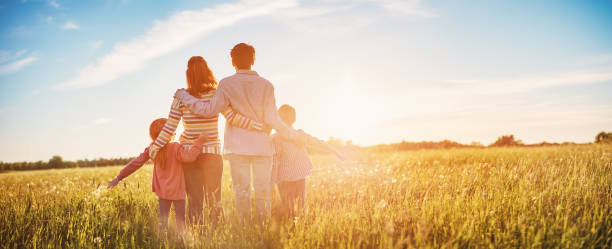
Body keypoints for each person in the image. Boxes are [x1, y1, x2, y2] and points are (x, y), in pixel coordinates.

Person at [173, 43, 302, 223]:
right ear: (253, 60)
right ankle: (262, 228)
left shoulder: (225, 84)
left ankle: (245, 228)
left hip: (237, 147)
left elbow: (209, 110)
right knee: (263, 192)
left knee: (241, 191)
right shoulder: (267, 85)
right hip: (263, 147)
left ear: (232, 61)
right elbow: (273, 120)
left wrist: (183, 96)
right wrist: (293, 134)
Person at [149, 56, 267, 226]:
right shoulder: (216, 95)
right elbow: (232, 117)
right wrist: (256, 125)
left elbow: (170, 128)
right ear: (207, 71)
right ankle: (217, 234)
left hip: (189, 155)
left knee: (195, 200)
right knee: (214, 199)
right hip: (212, 154)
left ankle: (199, 236)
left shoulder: (181, 98)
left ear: (188, 74)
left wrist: (155, 146)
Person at [107, 118, 208, 235]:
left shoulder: (152, 149)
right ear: (167, 132)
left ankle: (162, 243)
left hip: (162, 190)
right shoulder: (175, 147)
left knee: (162, 222)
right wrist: (200, 141)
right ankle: (182, 244)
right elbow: (190, 157)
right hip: (177, 190)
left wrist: (119, 178)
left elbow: (136, 163)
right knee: (181, 224)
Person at [271, 104, 345, 219]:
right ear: (294, 119)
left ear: (278, 119)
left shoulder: (277, 137)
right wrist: (336, 151)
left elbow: (274, 160)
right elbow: (318, 142)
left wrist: (271, 181)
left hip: (285, 178)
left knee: (289, 208)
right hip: (298, 175)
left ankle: (291, 228)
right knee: (300, 206)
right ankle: (298, 226)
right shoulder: (300, 135)